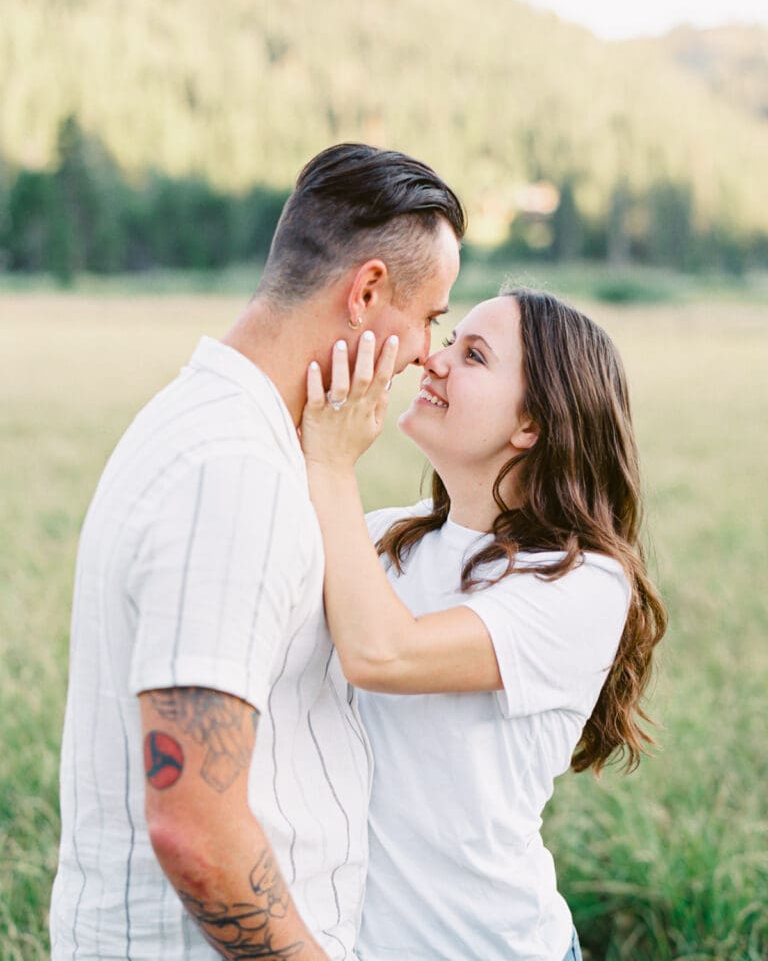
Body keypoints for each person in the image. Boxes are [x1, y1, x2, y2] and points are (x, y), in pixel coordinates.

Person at [49, 143, 465, 960]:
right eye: (430, 318)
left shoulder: (223, 428)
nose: (426, 354)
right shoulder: (232, 475)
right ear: (368, 291)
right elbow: (194, 830)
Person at [301, 287, 667, 961]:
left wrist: (328, 461)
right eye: (448, 341)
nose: (433, 362)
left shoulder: (581, 584)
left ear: (529, 424)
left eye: (472, 355)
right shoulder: (384, 540)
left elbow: (383, 654)